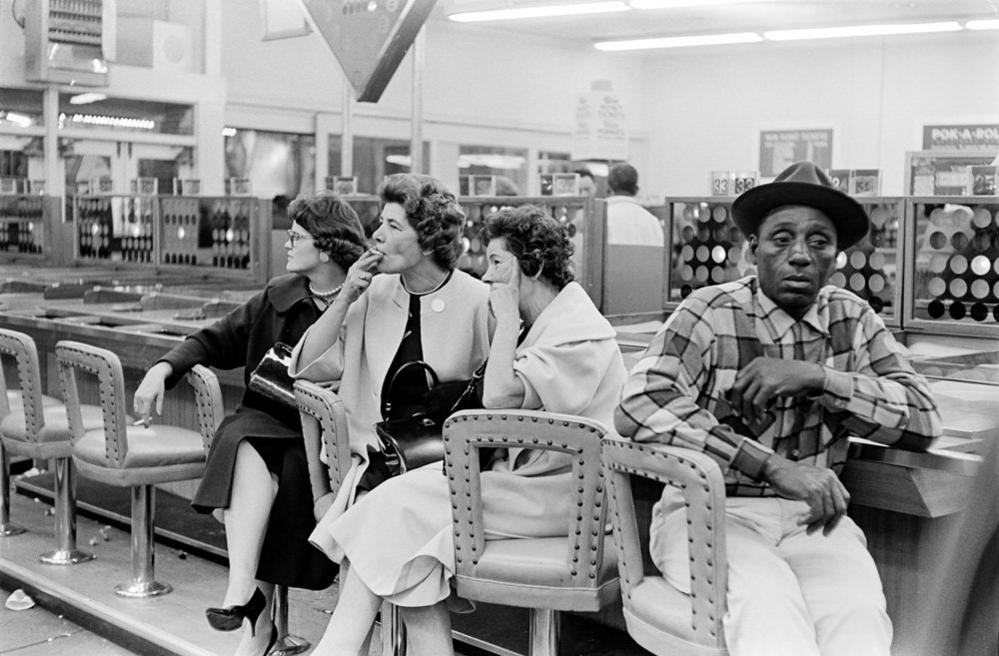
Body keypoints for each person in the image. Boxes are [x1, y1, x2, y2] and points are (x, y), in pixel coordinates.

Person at [615, 161, 942, 656]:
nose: (800, 256)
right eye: (782, 239)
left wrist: (819, 378)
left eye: (819, 242)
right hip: (708, 512)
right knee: (769, 610)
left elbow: (922, 417)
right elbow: (640, 402)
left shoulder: (852, 319)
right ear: (752, 249)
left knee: (858, 619)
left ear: (837, 256)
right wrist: (766, 463)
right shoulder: (710, 311)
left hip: (814, 520)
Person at [304, 205, 627, 655]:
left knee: (394, 509)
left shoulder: (580, 330)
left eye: (497, 263)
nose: (488, 276)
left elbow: (500, 396)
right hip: (527, 488)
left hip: (565, 501)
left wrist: (508, 320)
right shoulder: (556, 322)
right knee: (404, 534)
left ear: (528, 265)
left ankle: (334, 650)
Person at [132, 192, 367, 656]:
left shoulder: (368, 300)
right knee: (241, 438)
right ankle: (243, 593)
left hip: (321, 437)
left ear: (324, 248)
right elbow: (215, 339)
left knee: (271, 463)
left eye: (296, 236)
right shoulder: (277, 295)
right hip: (265, 420)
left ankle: (256, 617)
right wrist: (163, 367)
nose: (286, 242)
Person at [289, 172, 491, 525]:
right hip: (372, 458)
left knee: (392, 516)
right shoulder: (370, 293)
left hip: (447, 468)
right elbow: (306, 369)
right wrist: (344, 297)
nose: (377, 234)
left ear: (427, 242)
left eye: (394, 226)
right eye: (380, 222)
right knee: (383, 511)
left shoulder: (478, 300)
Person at [605, 162, 664, 246]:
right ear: (636, 189)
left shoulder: (602, 217)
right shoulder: (652, 221)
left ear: (608, 188)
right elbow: (660, 255)